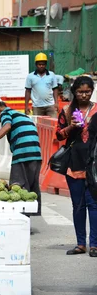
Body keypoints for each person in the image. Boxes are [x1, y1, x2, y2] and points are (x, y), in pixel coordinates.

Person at [55, 77, 97, 256]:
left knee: (94, 204)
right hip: (74, 163)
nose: (84, 95)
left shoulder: (96, 109)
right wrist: (71, 127)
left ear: (92, 91)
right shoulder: (66, 110)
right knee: (78, 205)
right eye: (80, 92)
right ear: (74, 92)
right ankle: (81, 244)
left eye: (87, 91)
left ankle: (94, 244)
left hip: (94, 163)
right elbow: (58, 135)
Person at [0, 97, 42, 214]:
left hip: (22, 152)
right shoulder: (20, 114)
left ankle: (21, 218)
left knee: (17, 185)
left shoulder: (5, 113)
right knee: (31, 186)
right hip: (36, 153)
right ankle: (28, 215)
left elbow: (7, 126)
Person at [24, 53, 59, 117]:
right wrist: (26, 106)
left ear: (46, 65)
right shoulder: (30, 76)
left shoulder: (51, 75)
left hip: (50, 105)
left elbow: (55, 89)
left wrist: (56, 103)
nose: (41, 66)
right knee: (38, 125)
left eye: (43, 64)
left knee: (53, 124)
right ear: (36, 65)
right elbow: (28, 91)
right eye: (39, 64)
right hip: (37, 106)